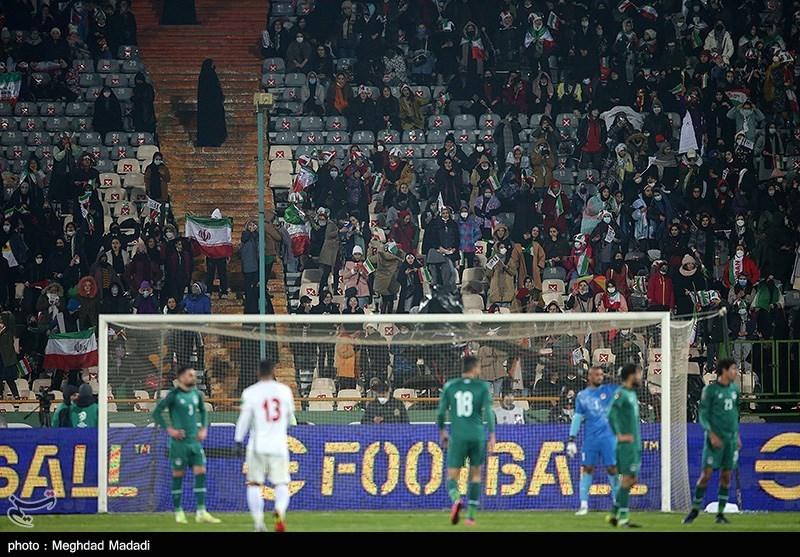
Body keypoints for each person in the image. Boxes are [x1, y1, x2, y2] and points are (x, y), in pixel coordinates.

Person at [152, 365, 220, 524]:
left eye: (194, 375)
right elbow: (156, 413)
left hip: (194, 442)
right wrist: (169, 429)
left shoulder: (197, 394)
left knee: (201, 472)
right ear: (181, 377)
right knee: (178, 475)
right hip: (178, 444)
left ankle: (201, 511)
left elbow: (203, 411)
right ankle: (178, 511)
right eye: (190, 375)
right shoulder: (173, 395)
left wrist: (203, 428)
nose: (193, 378)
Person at [234, 360, 295, 533]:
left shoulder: (250, 392)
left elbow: (244, 419)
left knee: (254, 484)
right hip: (279, 445)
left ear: (257, 373)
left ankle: (259, 523)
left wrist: (238, 440)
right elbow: (290, 416)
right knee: (281, 483)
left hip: (257, 445)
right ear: (273, 371)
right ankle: (279, 512)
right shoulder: (284, 391)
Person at [436, 355, 496, 526]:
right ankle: (470, 516)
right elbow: (489, 413)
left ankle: (456, 500)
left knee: (452, 475)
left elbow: (440, 413)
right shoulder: (482, 386)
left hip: (458, 436)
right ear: (475, 368)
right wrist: (492, 434)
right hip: (477, 436)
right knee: (476, 475)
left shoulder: (450, 386)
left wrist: (442, 432)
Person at [683, 358, 742, 525]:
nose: (735, 372)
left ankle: (720, 514)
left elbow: (735, 414)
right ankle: (694, 510)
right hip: (714, 440)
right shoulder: (710, 390)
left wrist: (736, 435)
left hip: (729, 441)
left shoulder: (735, 390)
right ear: (723, 371)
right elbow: (703, 415)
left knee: (726, 475)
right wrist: (711, 434)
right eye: (733, 369)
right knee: (706, 475)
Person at [566, 366, 619, 516]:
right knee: (587, 469)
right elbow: (577, 417)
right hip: (591, 439)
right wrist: (571, 439)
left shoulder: (609, 390)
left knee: (612, 469)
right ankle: (583, 505)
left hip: (609, 437)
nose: (600, 377)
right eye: (597, 375)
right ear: (590, 377)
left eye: (602, 375)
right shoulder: (582, 396)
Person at [607, 363, 642, 528]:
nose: (640, 376)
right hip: (626, 445)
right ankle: (623, 518)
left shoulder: (631, 394)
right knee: (628, 478)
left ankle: (614, 513)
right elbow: (611, 414)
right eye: (638, 373)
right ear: (630, 375)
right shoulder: (621, 393)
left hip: (634, 444)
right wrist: (619, 434)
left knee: (632, 479)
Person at [196, 59, 227, 147]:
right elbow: (214, 90)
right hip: (212, 106)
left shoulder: (204, 75)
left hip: (208, 106)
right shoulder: (210, 75)